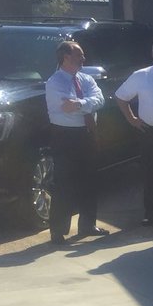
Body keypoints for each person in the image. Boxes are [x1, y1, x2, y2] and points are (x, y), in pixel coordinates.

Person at [44, 40, 108, 245]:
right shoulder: (55, 82)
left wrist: (81, 104)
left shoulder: (86, 79)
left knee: (89, 180)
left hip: (87, 133)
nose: (83, 58)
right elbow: (66, 108)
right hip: (65, 136)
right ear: (66, 57)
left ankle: (88, 224)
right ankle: (58, 231)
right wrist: (87, 105)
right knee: (65, 183)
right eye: (79, 55)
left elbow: (100, 100)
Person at [115, 40, 153, 227]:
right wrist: (132, 119)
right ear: (152, 55)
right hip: (150, 133)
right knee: (151, 176)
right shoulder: (141, 76)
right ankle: (151, 214)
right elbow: (120, 97)